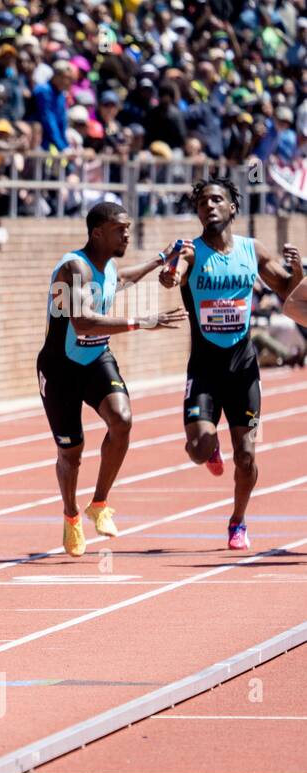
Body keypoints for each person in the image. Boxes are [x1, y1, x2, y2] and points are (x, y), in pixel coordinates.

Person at [159, 179, 304, 550]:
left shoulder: (251, 250)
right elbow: (169, 277)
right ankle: (210, 450)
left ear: (232, 208)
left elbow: (290, 293)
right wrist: (170, 268)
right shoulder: (190, 253)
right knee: (198, 449)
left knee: (247, 455)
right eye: (203, 201)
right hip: (205, 369)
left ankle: (237, 521)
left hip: (243, 368)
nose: (210, 206)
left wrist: (298, 271)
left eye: (217, 199)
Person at [39, 202, 186, 558]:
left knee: (122, 419)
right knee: (71, 453)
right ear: (97, 232)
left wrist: (157, 260)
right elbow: (83, 322)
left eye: (129, 228)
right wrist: (141, 321)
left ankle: (99, 503)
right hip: (60, 368)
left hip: (96, 359)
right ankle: (71, 515)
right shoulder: (73, 268)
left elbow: (120, 280)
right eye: (121, 229)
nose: (127, 234)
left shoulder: (107, 266)